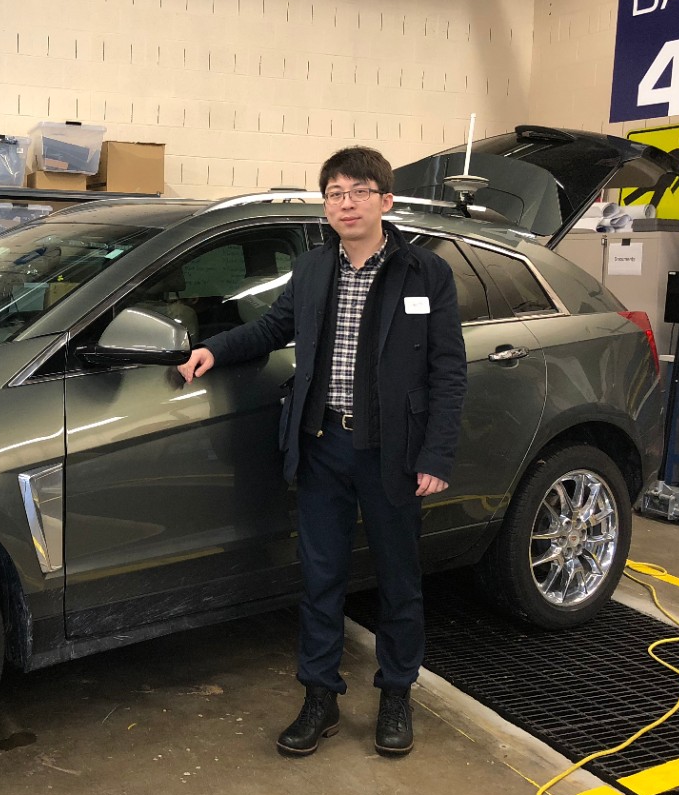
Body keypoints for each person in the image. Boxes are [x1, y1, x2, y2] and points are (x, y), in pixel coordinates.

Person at [177, 146, 467, 758]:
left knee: (398, 581)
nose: (347, 203)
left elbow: (449, 370)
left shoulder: (425, 274)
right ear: (326, 205)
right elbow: (270, 327)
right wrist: (215, 350)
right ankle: (319, 697)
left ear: (385, 201)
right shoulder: (312, 269)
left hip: (394, 452)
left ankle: (395, 695)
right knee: (321, 578)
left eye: (360, 191)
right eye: (335, 193)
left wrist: (437, 455)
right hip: (322, 444)